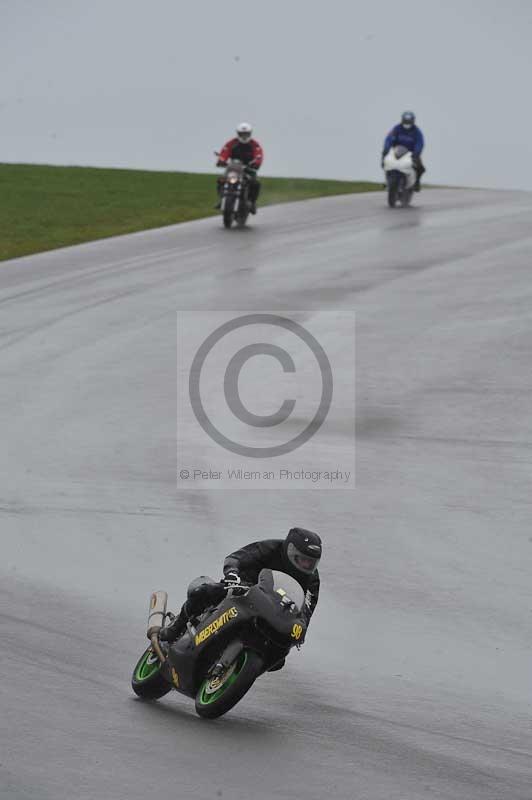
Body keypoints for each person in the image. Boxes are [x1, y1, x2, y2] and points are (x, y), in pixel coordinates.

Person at [159, 528, 321, 669]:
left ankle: (236, 669)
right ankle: (175, 629)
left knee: (280, 658)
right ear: (291, 550)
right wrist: (232, 574)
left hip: (275, 611)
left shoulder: (312, 579)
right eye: (303, 559)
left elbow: (307, 608)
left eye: (311, 562)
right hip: (244, 588)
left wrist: (300, 628)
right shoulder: (271, 547)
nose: (307, 565)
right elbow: (236, 558)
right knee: (206, 592)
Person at [215, 122, 264, 213]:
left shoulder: (254, 144)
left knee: (256, 183)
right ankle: (222, 199)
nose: (244, 136)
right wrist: (221, 160)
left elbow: (259, 155)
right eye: (242, 134)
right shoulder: (232, 143)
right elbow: (225, 152)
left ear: (250, 134)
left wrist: (257, 163)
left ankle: (252, 202)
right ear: (238, 134)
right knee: (221, 180)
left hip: (248, 168)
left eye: (246, 134)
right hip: (233, 167)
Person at [382, 111, 425, 191]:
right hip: (396, 151)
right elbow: (389, 138)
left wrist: (416, 153)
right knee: (385, 160)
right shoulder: (397, 128)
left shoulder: (417, 131)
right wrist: (386, 149)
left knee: (420, 168)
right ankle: (387, 180)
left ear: (413, 121)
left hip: (411, 153)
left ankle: (416, 183)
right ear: (402, 120)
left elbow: (420, 143)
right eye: (405, 121)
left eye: (409, 121)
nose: (407, 123)